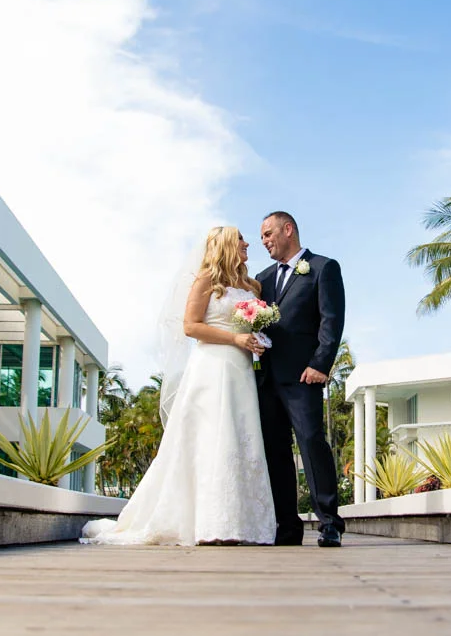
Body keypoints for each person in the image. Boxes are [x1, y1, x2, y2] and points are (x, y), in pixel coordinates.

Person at [82, 227, 277, 546]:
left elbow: (254, 323)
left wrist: (255, 338)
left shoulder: (252, 286)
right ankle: (207, 523)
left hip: (242, 370)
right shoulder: (205, 281)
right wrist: (235, 338)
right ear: (227, 244)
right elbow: (190, 326)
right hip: (211, 367)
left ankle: (242, 524)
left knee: (242, 438)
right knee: (209, 438)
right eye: (241, 239)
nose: (247, 244)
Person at [255, 211, 346, 547]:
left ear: (287, 229)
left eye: (268, 234)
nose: (265, 241)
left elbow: (331, 321)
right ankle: (287, 526)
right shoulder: (261, 279)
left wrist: (320, 363)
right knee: (275, 452)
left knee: (311, 443)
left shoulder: (323, 268)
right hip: (265, 381)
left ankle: (329, 522)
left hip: (304, 376)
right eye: (262, 236)